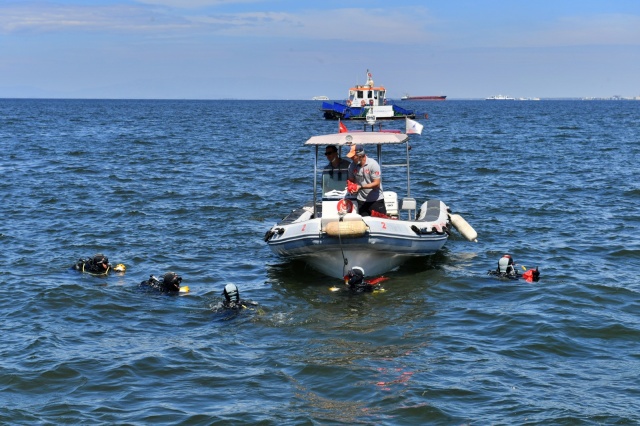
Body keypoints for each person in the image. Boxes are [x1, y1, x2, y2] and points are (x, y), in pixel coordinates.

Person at [347, 144, 387, 216]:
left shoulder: (373, 164)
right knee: (364, 225)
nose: (351, 159)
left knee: (380, 223)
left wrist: (360, 187)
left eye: (353, 157)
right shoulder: (352, 166)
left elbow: (377, 183)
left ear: (360, 156)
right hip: (361, 201)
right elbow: (351, 180)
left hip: (376, 200)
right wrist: (351, 186)